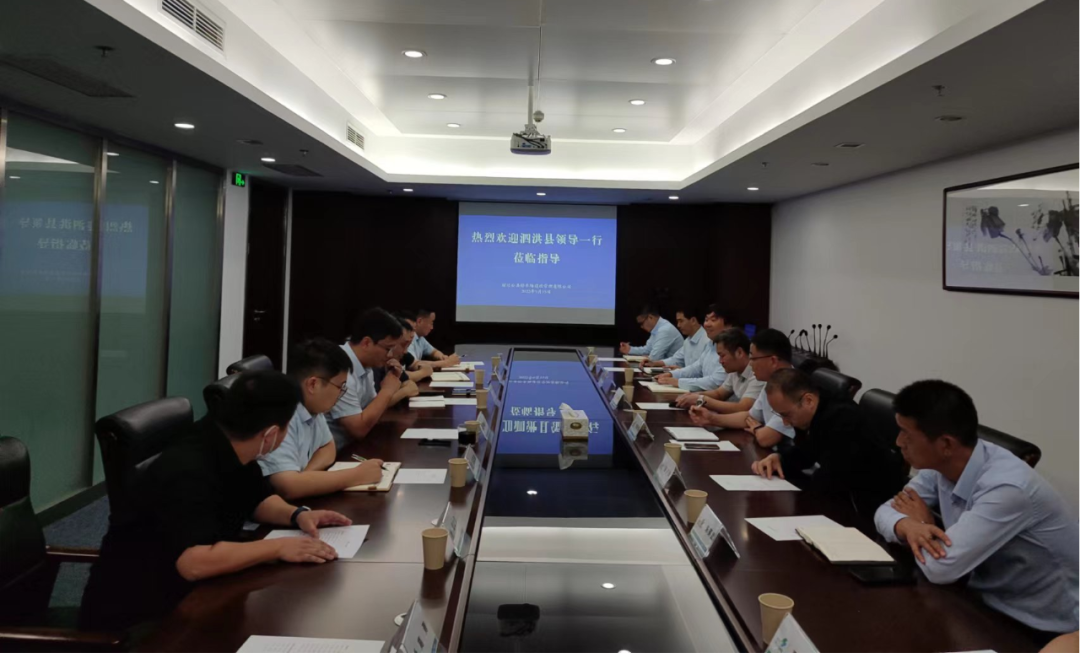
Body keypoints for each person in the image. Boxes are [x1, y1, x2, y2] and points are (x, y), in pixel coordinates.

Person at [80, 371, 351, 631]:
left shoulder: (231, 440)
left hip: (201, 591)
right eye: (287, 426)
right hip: (145, 619)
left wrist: (297, 515)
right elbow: (193, 562)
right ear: (270, 434)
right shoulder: (187, 470)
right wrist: (278, 547)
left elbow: (256, 499)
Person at [874, 380, 1080, 637]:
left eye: (907, 434)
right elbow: (884, 511)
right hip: (980, 601)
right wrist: (907, 525)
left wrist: (924, 525)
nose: (898, 442)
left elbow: (941, 569)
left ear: (946, 444)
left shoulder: (1008, 489)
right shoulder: (941, 465)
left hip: (1042, 628)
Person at [751, 368, 905, 511]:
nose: (785, 422)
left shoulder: (843, 420)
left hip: (870, 506)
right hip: (844, 496)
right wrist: (779, 459)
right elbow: (806, 454)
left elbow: (830, 479)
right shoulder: (815, 409)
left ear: (808, 401)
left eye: (786, 415)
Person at [258, 339, 385, 500]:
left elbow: (327, 447)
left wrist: (304, 477)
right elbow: (287, 486)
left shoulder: (313, 406)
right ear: (313, 384)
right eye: (340, 387)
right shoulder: (281, 413)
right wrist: (357, 475)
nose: (341, 394)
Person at [687, 327, 795, 448]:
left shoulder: (792, 387)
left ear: (773, 361)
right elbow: (749, 417)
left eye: (753, 358)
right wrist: (711, 418)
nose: (750, 363)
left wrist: (756, 429)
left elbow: (766, 438)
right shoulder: (771, 382)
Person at [328, 307, 405, 447]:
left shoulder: (366, 364)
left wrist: (391, 383)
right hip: (336, 452)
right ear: (366, 343)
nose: (390, 355)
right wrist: (387, 390)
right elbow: (359, 429)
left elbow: (374, 413)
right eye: (388, 349)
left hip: (351, 446)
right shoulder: (339, 366)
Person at [675, 327, 763, 413]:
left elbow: (743, 408)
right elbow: (719, 394)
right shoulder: (734, 370)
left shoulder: (757, 372)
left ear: (739, 352)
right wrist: (694, 396)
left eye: (722, 356)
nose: (720, 361)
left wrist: (701, 399)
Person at [655, 305, 728, 391]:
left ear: (727, 325)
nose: (707, 324)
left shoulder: (729, 348)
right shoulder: (711, 343)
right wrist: (671, 374)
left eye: (713, 320)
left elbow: (715, 382)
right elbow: (695, 368)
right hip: (703, 393)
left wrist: (678, 382)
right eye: (706, 320)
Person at [644, 304, 710, 370]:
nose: (678, 325)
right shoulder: (687, 341)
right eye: (677, 321)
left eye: (681, 321)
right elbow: (676, 359)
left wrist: (681, 371)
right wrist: (654, 363)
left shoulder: (708, 341)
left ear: (693, 320)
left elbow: (703, 372)